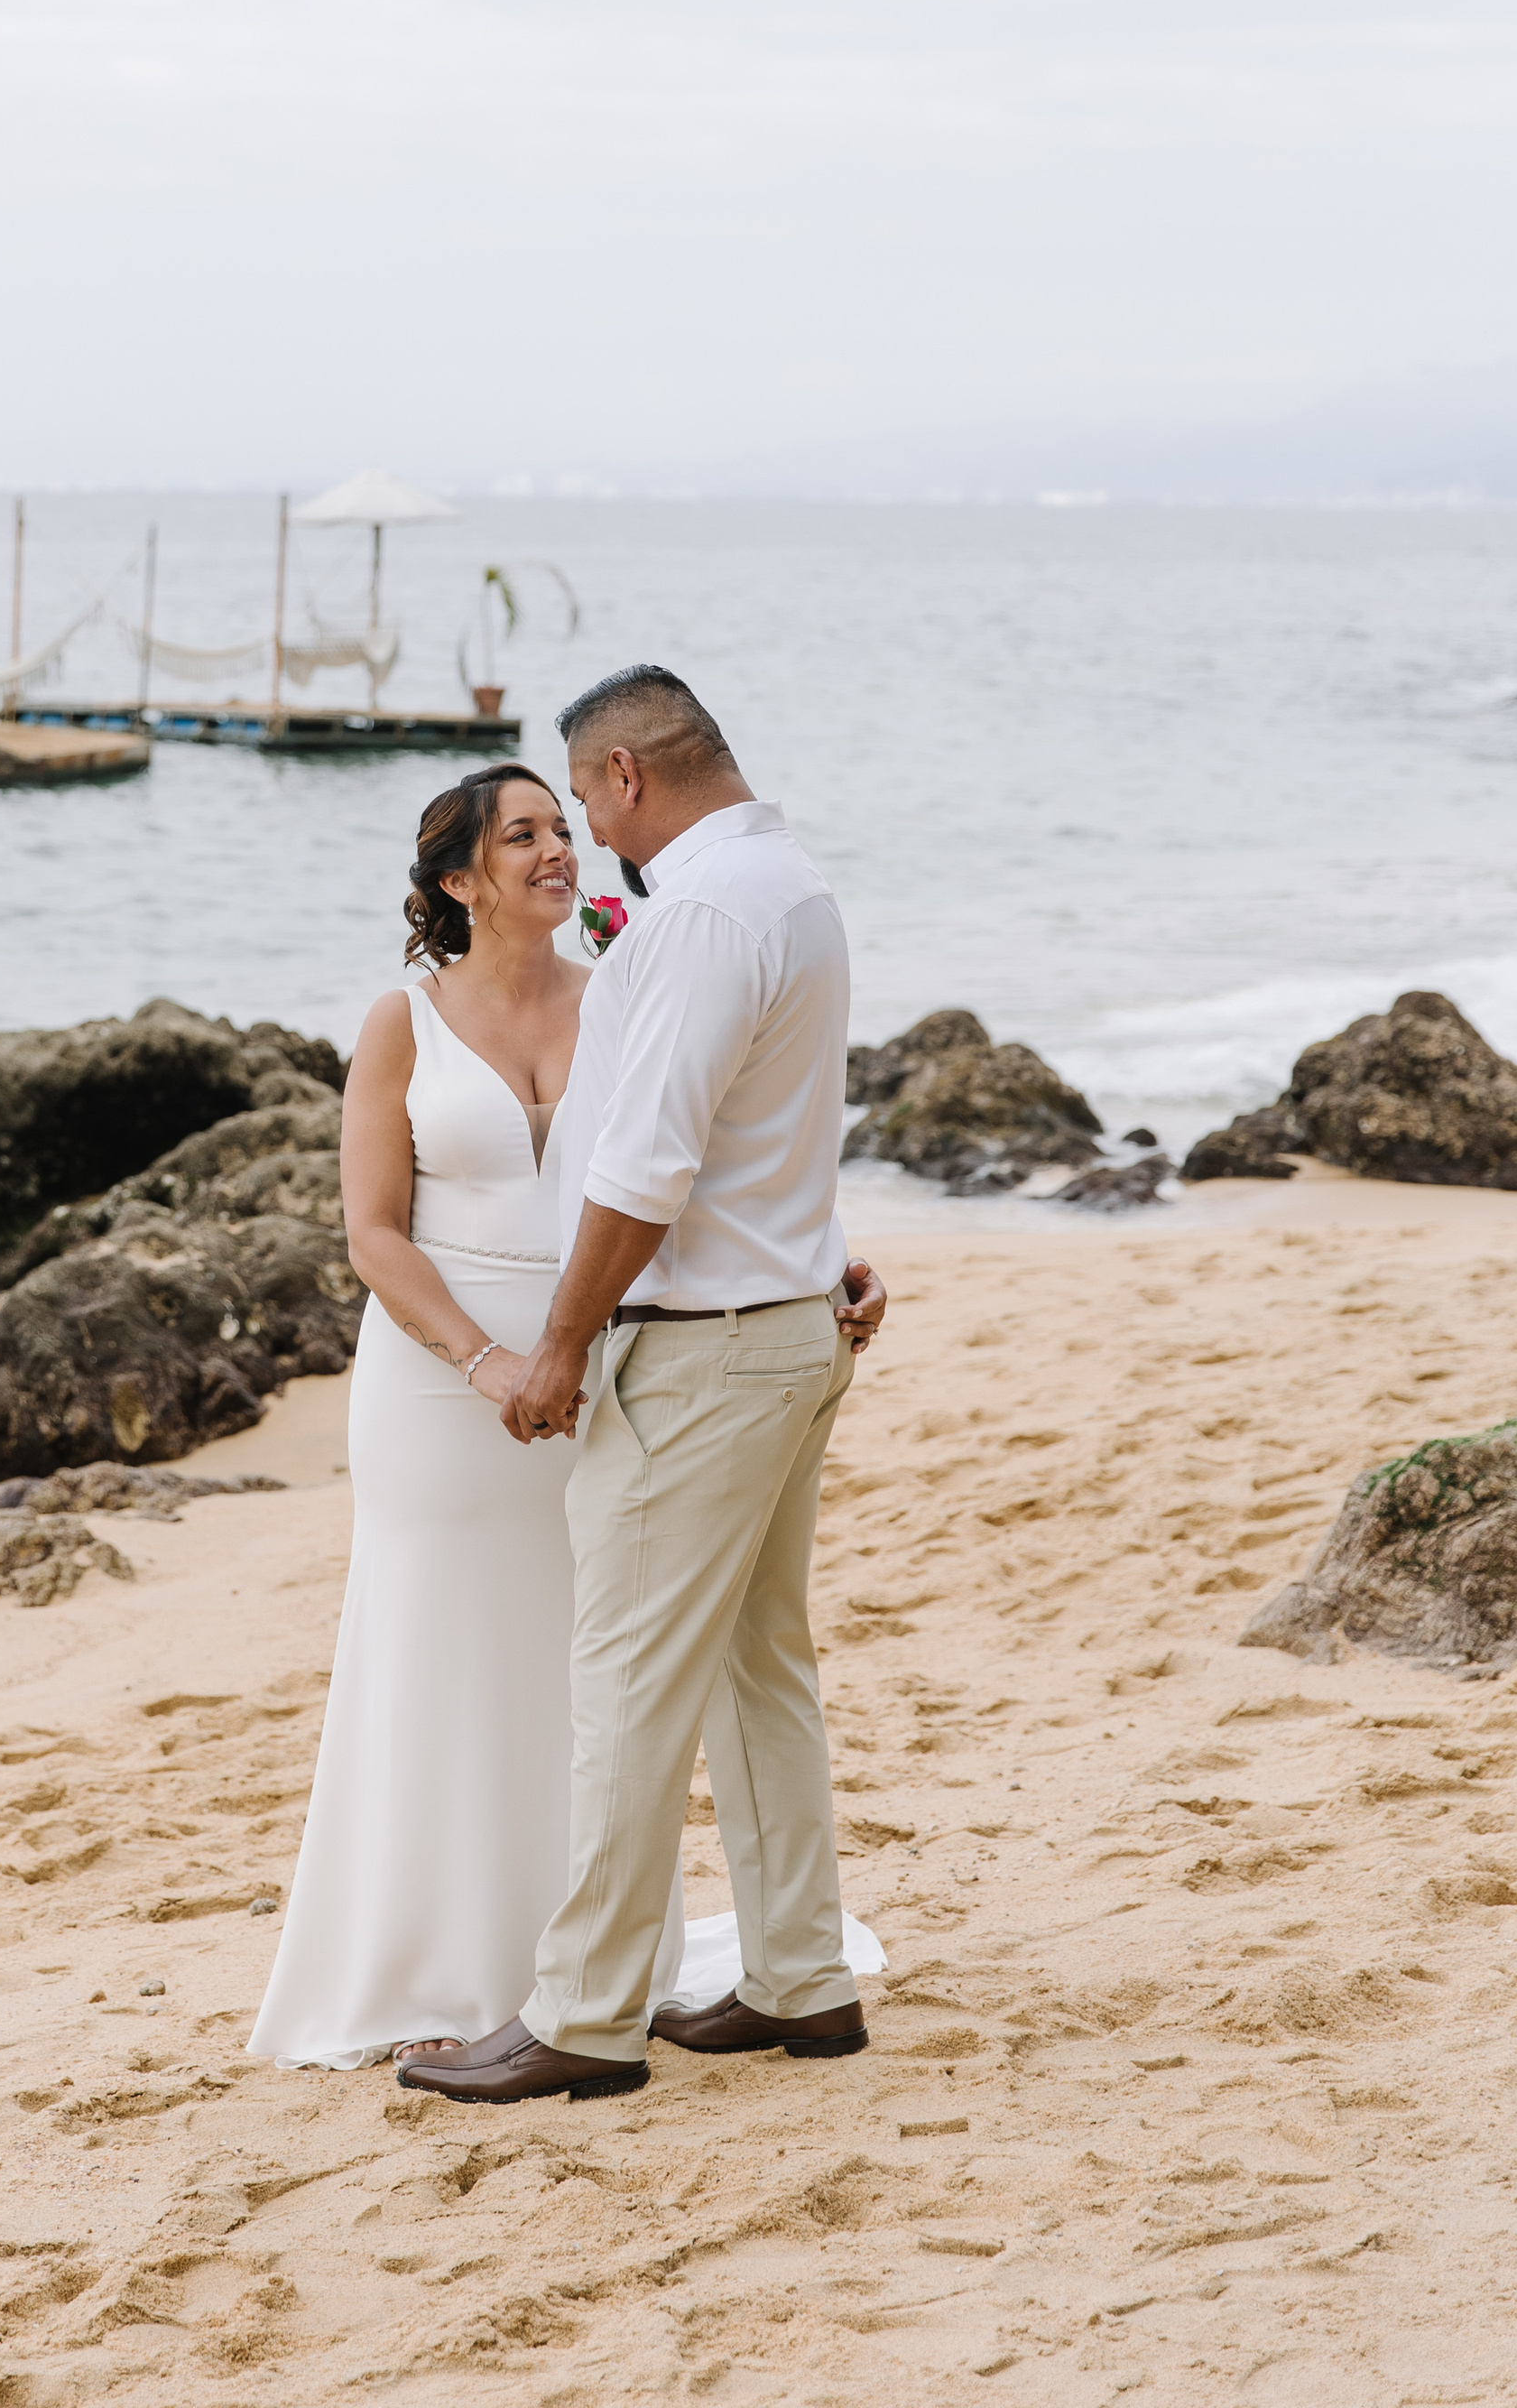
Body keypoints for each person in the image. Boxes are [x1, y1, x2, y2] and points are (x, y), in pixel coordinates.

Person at [248, 753, 884, 2072]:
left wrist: (818, 1261)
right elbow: (372, 1235)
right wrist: (488, 1361)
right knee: (442, 1647)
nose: (558, 851)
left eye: (561, 827)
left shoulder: (624, 991)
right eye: (522, 836)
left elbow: (696, 1166)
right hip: (443, 1382)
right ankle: (436, 1957)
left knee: (591, 1663)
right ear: (456, 881)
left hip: (597, 1358)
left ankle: (575, 1966)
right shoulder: (400, 1023)